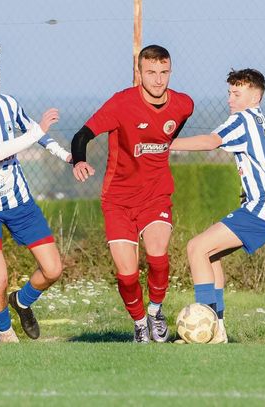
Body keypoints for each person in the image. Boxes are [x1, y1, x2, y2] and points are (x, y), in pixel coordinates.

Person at [170, 68, 265, 343]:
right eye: (229, 92)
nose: (230, 99)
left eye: (236, 93)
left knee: (196, 248)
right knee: (210, 254)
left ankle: (207, 328)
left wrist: (164, 143)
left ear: (254, 96)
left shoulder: (242, 120)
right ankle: (217, 329)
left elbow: (210, 142)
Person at [71, 45, 194, 343]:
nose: (158, 80)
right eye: (151, 73)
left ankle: (154, 312)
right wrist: (79, 159)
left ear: (170, 71)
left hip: (156, 195)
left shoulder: (183, 105)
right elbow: (82, 134)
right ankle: (139, 323)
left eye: (164, 72)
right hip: (118, 200)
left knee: (158, 255)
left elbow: (171, 131)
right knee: (127, 275)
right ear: (138, 73)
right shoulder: (121, 103)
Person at [0, 41, 72, 343]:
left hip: (19, 201)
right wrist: (37, 131)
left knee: (53, 269)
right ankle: (5, 334)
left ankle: (22, 301)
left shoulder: (8, 104)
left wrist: (66, 156)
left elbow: (35, 130)